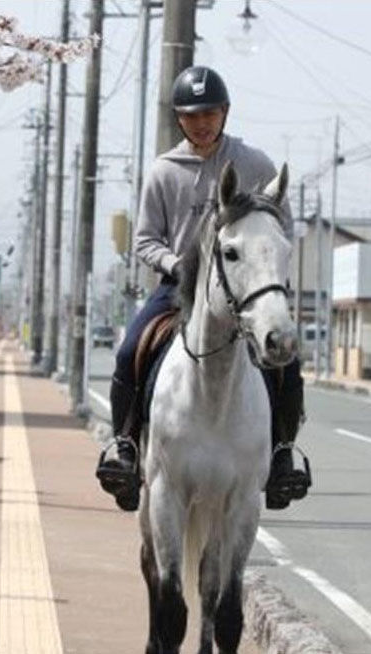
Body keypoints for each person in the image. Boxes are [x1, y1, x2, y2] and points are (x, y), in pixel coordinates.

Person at [95, 65, 308, 512]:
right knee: (129, 348)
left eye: (210, 112)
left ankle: (282, 453)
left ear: (225, 112)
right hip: (179, 289)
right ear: (178, 118)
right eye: (191, 115)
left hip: (242, 288)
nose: (202, 122)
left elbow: (280, 228)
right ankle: (125, 446)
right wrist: (176, 265)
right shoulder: (164, 171)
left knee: (285, 359)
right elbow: (145, 240)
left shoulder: (256, 164)